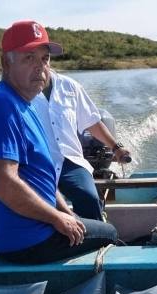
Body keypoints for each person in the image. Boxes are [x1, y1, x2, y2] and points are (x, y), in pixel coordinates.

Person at [0, 20, 118, 264]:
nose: (40, 68)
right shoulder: (1, 106)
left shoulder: (25, 105)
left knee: (85, 221)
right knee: (110, 233)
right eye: (29, 58)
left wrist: (66, 212)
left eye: (45, 59)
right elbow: (3, 183)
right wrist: (56, 219)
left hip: (26, 229)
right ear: (7, 62)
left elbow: (42, 176)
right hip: (23, 240)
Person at [32, 70, 131, 220]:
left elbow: (92, 122)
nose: (39, 63)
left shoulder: (69, 86)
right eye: (30, 56)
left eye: (45, 57)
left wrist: (116, 148)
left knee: (89, 199)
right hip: (35, 162)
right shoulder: (19, 89)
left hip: (70, 161)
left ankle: (95, 239)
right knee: (41, 204)